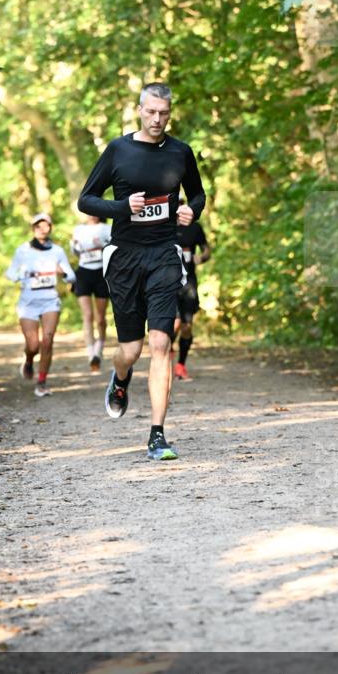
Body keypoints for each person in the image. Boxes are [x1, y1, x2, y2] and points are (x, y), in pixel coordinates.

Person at [77, 81, 206, 461]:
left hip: (164, 254)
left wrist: (191, 210)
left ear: (170, 112)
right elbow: (86, 199)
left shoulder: (181, 152)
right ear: (139, 109)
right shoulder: (119, 149)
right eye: (151, 112)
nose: (157, 119)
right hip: (125, 258)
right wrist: (121, 208)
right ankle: (120, 380)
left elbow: (197, 193)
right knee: (130, 350)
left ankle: (157, 434)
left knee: (161, 344)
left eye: (164, 113)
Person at [5, 212, 76, 398]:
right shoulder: (23, 250)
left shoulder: (57, 251)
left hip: (50, 300)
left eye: (46, 225)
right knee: (33, 344)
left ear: (50, 228)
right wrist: (22, 275)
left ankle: (42, 381)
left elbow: (72, 275)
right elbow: (10, 273)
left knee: (48, 339)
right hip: (28, 301)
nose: (42, 229)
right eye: (38, 226)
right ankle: (29, 359)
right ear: (33, 229)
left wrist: (63, 273)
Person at [70, 215, 112, 373]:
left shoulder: (107, 228)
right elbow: (75, 252)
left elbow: (113, 248)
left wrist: (101, 245)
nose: (91, 213)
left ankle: (99, 347)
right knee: (87, 315)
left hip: (102, 273)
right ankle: (91, 354)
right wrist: (75, 246)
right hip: (83, 273)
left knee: (100, 318)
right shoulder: (79, 229)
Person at [173, 218, 210, 380]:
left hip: (188, 283)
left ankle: (181, 365)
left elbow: (207, 250)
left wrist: (201, 257)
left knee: (186, 327)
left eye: (181, 203)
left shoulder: (194, 228)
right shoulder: (161, 227)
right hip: (168, 283)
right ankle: (166, 355)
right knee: (174, 324)